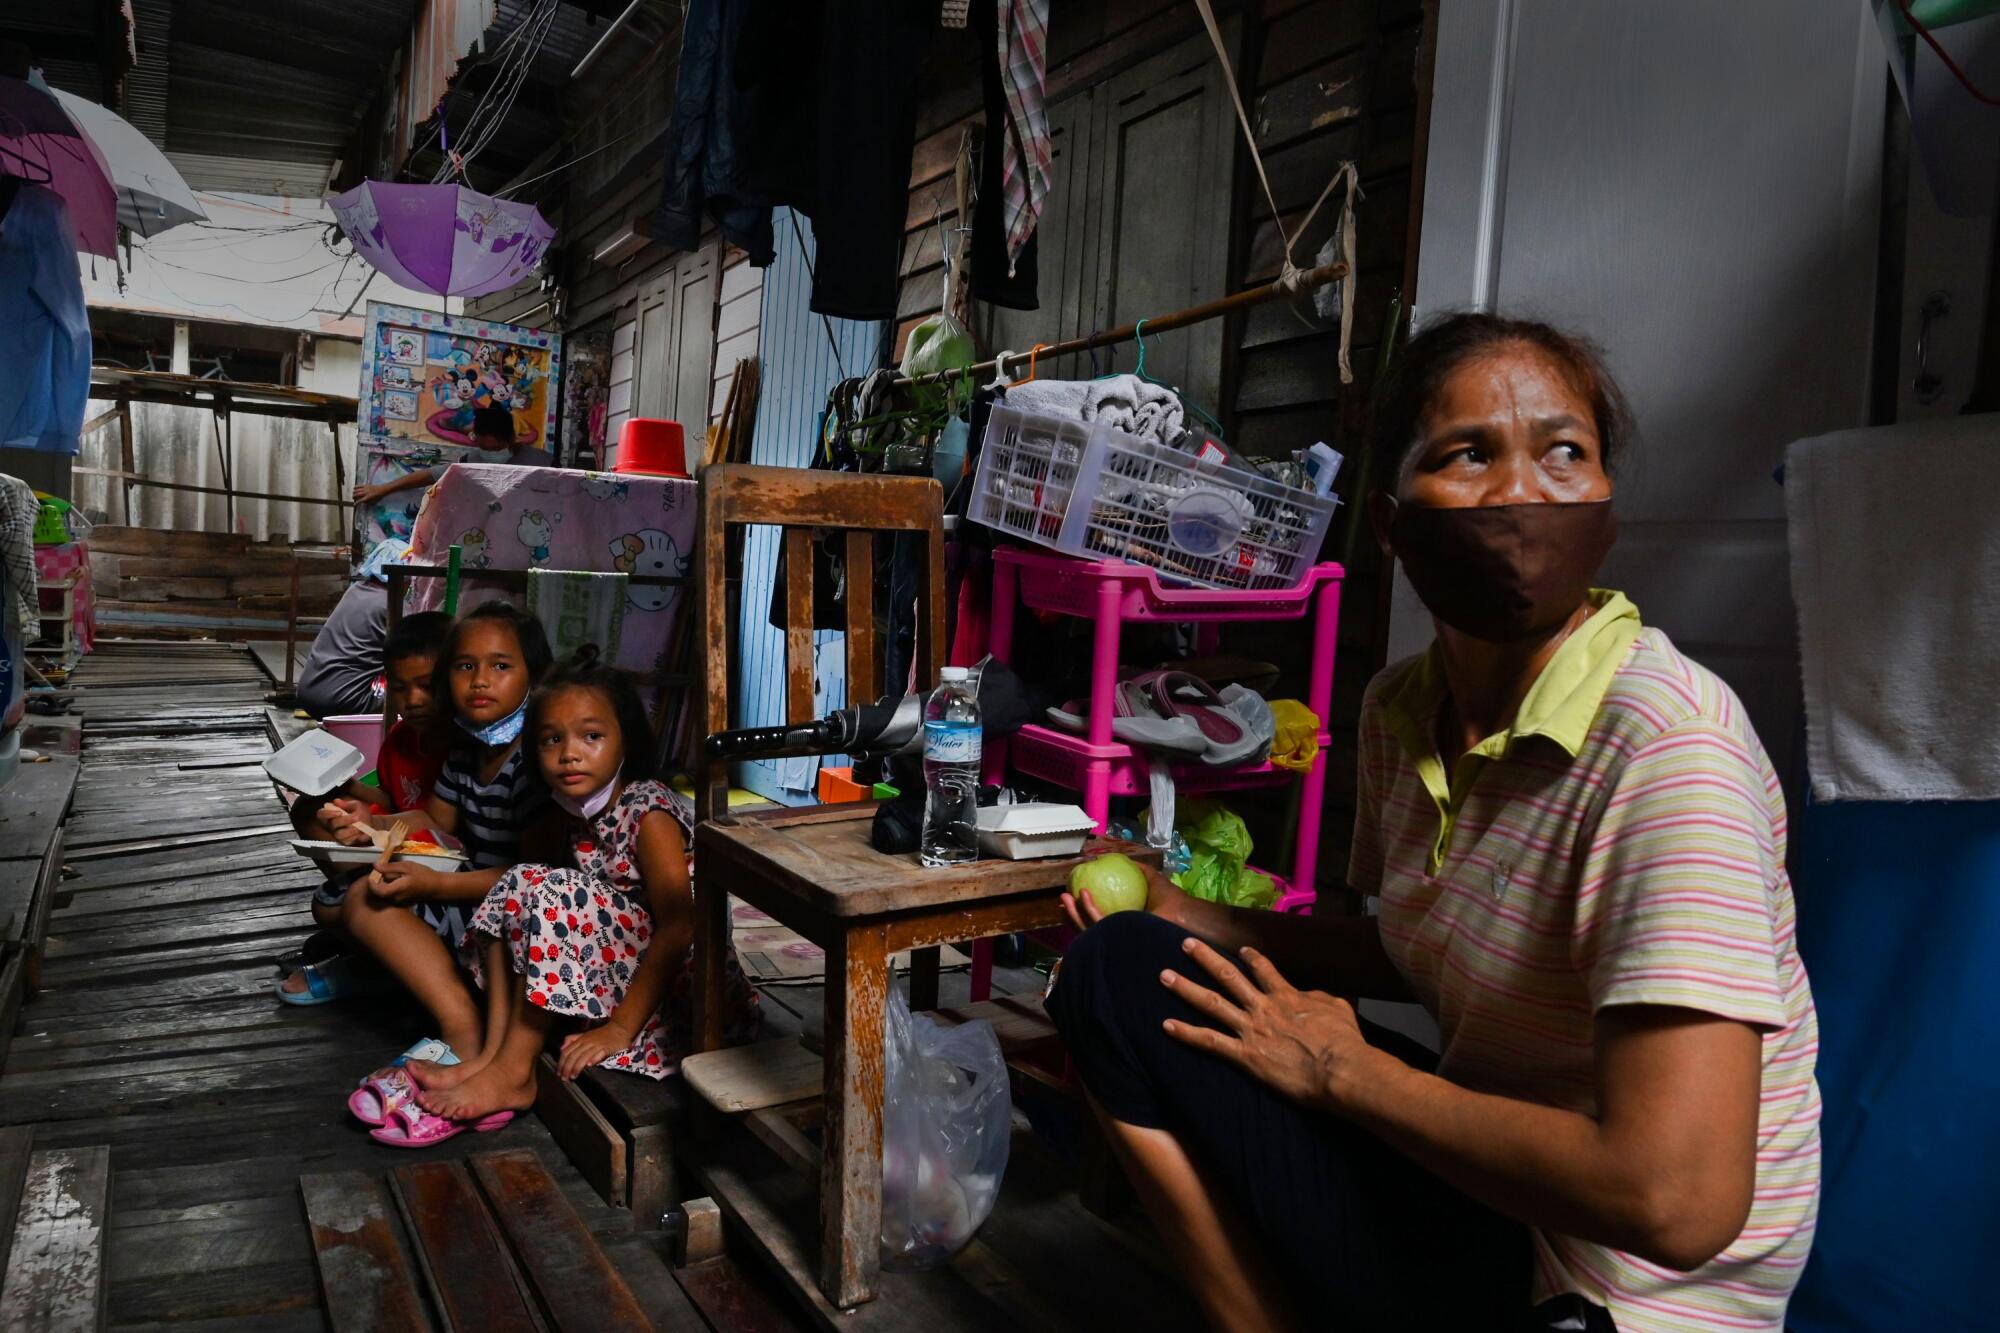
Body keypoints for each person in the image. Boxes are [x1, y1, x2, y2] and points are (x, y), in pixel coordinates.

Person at [1046, 313, 1819, 1333]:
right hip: (1496, 1197)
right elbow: (1434, 945)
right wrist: (1202, 915)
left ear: (1603, 510)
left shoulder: (1669, 747)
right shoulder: (1399, 711)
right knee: (1118, 970)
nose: (1518, 492)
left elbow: (1674, 1202)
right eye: (1467, 455)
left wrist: (1343, 1071)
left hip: (1623, 1295)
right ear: (1390, 524)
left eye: (1563, 454)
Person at [404, 654, 762, 1127]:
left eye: (591, 736)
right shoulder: (569, 814)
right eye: (552, 739)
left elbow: (681, 926)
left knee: (554, 888)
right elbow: (523, 898)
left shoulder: (647, 809)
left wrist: (619, 1028)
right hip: (623, 967)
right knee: (521, 880)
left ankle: (515, 1071)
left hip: (682, 994)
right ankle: (492, 1056)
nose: (569, 753)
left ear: (625, 742)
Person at [327, 601, 553, 1135]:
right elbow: (435, 823)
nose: (480, 681)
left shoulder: (537, 758)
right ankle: (463, 1024)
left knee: (377, 896)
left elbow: (535, 876)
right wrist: (374, 826)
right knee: (364, 896)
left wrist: (432, 882)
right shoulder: (467, 750)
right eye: (464, 666)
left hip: (527, 916)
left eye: (500, 666)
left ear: (534, 676)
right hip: (476, 896)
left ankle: (464, 1038)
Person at [278, 610, 452, 1003]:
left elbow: (441, 827)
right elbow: (392, 799)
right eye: (401, 688)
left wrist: (374, 821)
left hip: (438, 860)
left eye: (427, 686)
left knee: (333, 909)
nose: (414, 701)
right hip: (395, 842)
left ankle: (367, 953)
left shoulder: (461, 747)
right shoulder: (402, 738)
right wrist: (345, 788)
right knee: (310, 809)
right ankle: (365, 936)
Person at [351, 404, 547, 508]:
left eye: (493, 448)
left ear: (509, 439)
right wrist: (383, 488)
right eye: (481, 446)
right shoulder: (472, 461)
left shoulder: (543, 463)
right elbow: (430, 475)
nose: (487, 453)